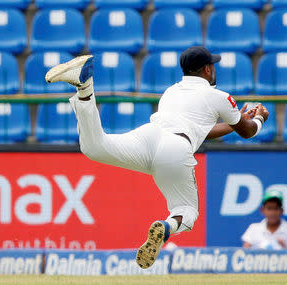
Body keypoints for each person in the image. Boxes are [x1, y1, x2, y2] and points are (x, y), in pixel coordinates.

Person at [45, 46, 270, 269]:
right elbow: (247, 131)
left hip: (149, 136)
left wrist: (233, 122)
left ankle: (85, 88)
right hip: (176, 148)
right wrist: (259, 118)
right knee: (187, 211)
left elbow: (200, 130)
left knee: (94, 147)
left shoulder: (171, 91)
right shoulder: (220, 96)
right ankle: (166, 226)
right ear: (208, 70)